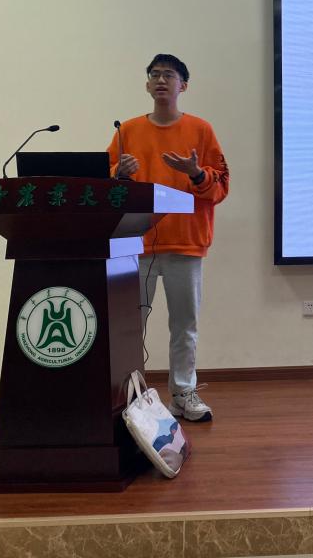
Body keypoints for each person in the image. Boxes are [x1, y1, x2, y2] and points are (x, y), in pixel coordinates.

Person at [109, 54, 229, 423]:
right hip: (135, 244)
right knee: (129, 327)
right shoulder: (127, 131)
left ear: (183, 85)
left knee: (184, 325)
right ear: (147, 85)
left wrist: (196, 173)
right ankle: (125, 399)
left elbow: (220, 187)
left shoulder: (201, 130)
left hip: (186, 243)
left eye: (169, 75)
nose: (161, 80)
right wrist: (119, 174)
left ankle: (183, 393)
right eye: (155, 75)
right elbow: (104, 185)